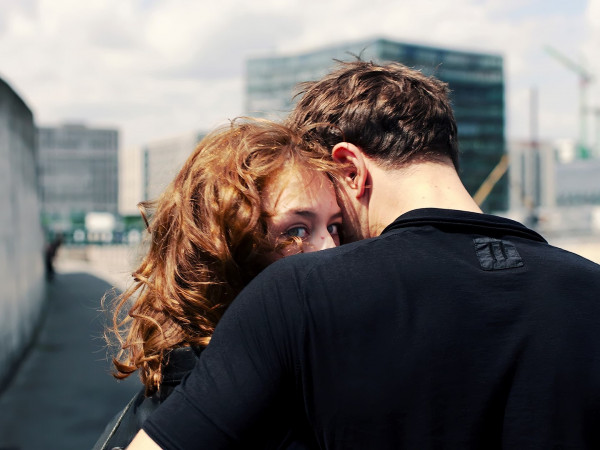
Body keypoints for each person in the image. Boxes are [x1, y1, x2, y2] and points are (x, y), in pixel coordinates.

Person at [129, 61, 600, 449]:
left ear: (350, 169)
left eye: (333, 221)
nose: (331, 246)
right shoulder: (589, 287)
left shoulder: (298, 292)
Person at [93, 118, 343, 450]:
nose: (332, 249)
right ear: (223, 249)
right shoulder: (215, 415)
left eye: (335, 226)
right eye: (296, 231)